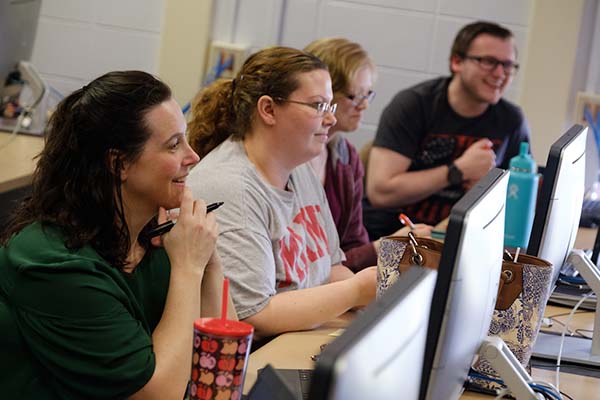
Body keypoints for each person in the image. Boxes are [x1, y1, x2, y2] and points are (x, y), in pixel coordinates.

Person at [0, 71, 232, 399]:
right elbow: (157, 395)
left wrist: (210, 261)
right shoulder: (51, 263)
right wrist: (189, 267)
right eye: (174, 145)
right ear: (119, 163)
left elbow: (225, 368)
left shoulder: (160, 239)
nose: (193, 157)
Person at [187, 46, 376, 339]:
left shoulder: (298, 168)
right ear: (268, 110)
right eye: (317, 106)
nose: (331, 120)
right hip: (257, 356)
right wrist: (357, 291)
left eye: (330, 106)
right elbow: (255, 314)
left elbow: (331, 269)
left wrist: (368, 307)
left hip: (298, 337)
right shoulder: (229, 186)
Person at [364, 21, 531, 239]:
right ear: (457, 62)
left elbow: (519, 200)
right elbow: (380, 193)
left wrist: (486, 189)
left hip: (460, 240)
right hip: (392, 237)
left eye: (508, 65)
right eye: (489, 62)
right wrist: (458, 171)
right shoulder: (414, 105)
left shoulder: (511, 120)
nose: (500, 73)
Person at [304, 38, 432, 271]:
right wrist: (384, 247)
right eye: (354, 96)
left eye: (368, 95)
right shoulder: (292, 159)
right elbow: (310, 268)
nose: (364, 106)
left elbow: (352, 246)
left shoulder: (347, 157)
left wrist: (383, 248)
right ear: (324, 96)